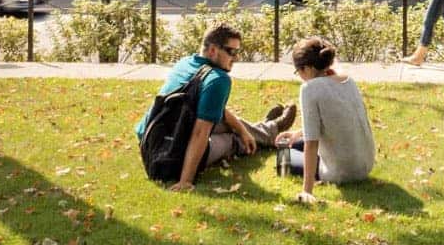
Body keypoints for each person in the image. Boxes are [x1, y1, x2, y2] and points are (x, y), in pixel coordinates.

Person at [136, 22, 296, 190]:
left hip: (151, 142)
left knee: (223, 118)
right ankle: (272, 130)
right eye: (231, 52)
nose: (235, 58)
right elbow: (200, 132)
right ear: (213, 50)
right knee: (231, 140)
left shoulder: (186, 62)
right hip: (171, 155)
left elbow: (214, 110)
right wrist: (185, 181)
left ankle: (265, 128)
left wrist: (243, 130)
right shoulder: (218, 79)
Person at [276, 36, 376, 202]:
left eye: (298, 71)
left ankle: (269, 136)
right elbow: (335, 120)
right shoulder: (348, 80)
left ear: (306, 68)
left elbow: (312, 143)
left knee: (282, 153)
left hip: (341, 172)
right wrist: (298, 133)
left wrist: (307, 191)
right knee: (294, 142)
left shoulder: (309, 88)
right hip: (364, 165)